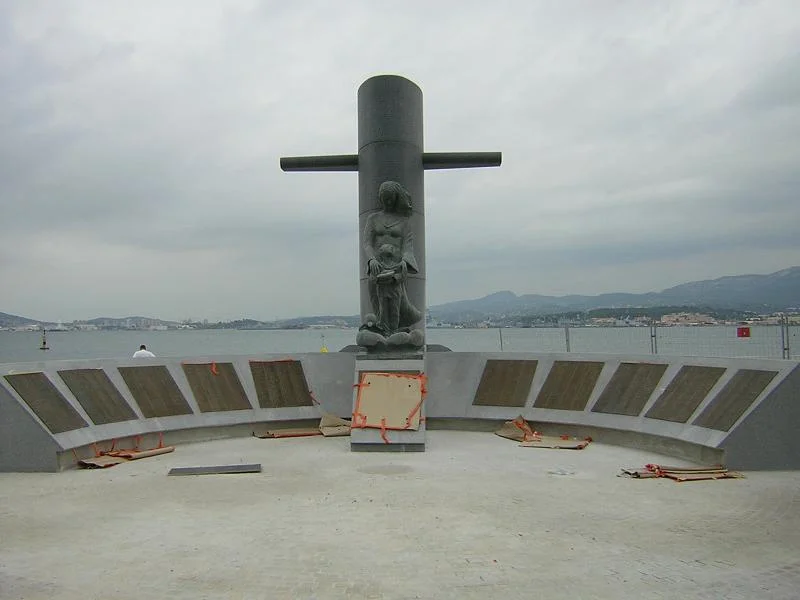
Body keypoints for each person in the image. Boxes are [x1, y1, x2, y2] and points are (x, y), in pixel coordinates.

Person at [361, 180, 422, 336]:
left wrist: (404, 262)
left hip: (395, 266)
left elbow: (407, 245)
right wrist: (371, 260)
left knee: (396, 298)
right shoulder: (373, 219)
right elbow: (367, 243)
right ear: (380, 198)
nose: (388, 202)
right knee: (376, 296)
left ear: (396, 198)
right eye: (385, 198)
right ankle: (381, 328)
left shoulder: (404, 222)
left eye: (391, 199)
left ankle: (394, 330)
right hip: (377, 265)